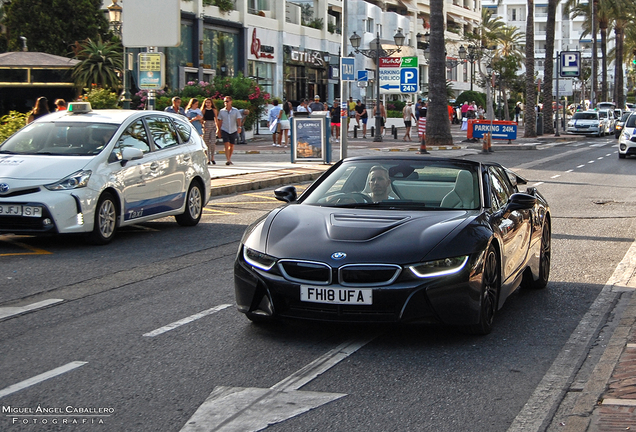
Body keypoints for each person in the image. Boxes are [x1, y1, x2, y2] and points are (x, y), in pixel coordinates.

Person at [217, 96, 242, 165]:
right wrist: (218, 130)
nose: (226, 103)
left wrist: (239, 127)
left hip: (233, 129)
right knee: (226, 144)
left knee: (231, 145)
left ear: (231, 102)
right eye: (225, 101)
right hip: (225, 129)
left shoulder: (235, 110)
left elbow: (238, 119)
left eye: (227, 101)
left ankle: (229, 158)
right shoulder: (222, 111)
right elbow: (220, 121)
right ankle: (227, 159)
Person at [201, 97, 218, 165]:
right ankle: (207, 158)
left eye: (209, 103)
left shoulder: (214, 110)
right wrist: (203, 126)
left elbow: (216, 118)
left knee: (213, 142)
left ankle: (212, 157)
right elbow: (201, 119)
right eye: (206, 102)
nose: (208, 104)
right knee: (206, 142)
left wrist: (217, 127)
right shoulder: (203, 110)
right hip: (206, 125)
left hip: (213, 125)